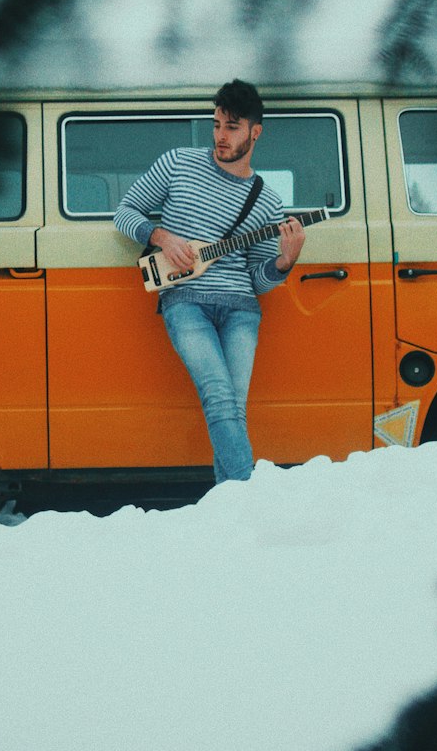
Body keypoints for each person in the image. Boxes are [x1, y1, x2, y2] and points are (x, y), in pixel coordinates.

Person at [114, 79, 305, 482]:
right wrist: (160, 236)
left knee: (233, 408)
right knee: (219, 399)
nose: (220, 135)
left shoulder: (267, 199)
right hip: (186, 300)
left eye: (231, 127)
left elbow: (256, 278)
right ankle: (250, 499)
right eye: (217, 124)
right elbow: (125, 211)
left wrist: (284, 264)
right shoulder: (178, 163)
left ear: (255, 132)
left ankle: (228, 512)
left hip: (241, 310)